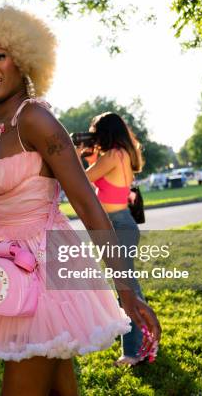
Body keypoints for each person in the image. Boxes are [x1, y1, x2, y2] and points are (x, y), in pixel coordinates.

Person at [0, 5, 160, 394]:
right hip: (13, 271)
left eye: (0, 55)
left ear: (25, 61)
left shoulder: (35, 119)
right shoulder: (1, 127)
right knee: (59, 387)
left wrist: (126, 289)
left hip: (44, 271)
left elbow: (86, 203)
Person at [77, 112, 148, 366]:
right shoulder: (121, 153)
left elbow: (82, 181)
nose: (93, 137)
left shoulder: (113, 155)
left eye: (95, 132)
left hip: (119, 226)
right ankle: (144, 342)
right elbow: (98, 177)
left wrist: (76, 156)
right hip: (119, 225)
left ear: (105, 132)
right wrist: (92, 155)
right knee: (129, 287)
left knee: (126, 289)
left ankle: (133, 352)